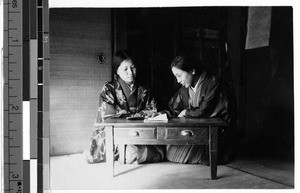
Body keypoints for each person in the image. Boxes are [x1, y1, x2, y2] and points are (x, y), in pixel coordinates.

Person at [86, 50, 165, 164]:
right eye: (125, 69)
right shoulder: (109, 88)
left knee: (162, 149)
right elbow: (108, 116)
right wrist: (138, 115)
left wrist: (137, 116)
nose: (131, 72)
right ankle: (129, 151)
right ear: (117, 70)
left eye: (133, 67)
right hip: (116, 132)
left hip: (140, 131)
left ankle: (135, 151)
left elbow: (152, 109)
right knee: (132, 154)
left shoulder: (143, 89)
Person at [164, 54, 236, 165]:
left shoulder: (213, 81)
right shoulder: (185, 89)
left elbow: (204, 111)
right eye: (176, 77)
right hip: (198, 133)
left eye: (179, 75)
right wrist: (159, 114)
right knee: (170, 151)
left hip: (217, 134)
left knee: (175, 154)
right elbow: (174, 109)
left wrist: (186, 112)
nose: (178, 80)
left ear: (192, 71)